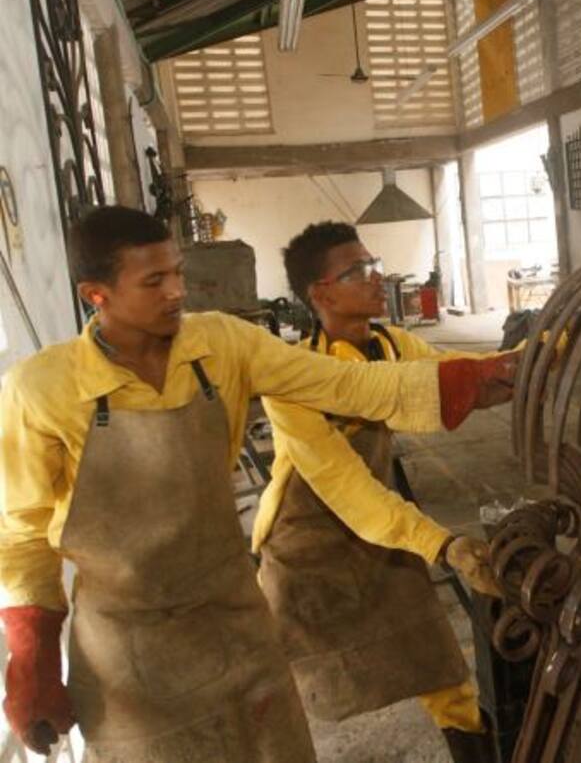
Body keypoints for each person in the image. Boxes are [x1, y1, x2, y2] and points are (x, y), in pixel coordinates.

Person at [0, 206, 514, 761]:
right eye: (154, 281)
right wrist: (34, 659)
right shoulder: (40, 390)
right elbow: (22, 534)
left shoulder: (220, 345)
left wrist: (497, 374)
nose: (177, 291)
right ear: (95, 294)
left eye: (177, 273)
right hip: (130, 653)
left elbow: (350, 386)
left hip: (236, 623)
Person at [253, 222, 518, 762]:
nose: (379, 279)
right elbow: (347, 489)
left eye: (374, 264)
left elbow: (462, 376)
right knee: (285, 684)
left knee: (440, 669)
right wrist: (443, 545)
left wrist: (551, 348)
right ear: (321, 293)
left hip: (379, 535)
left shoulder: (391, 345)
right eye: (359, 271)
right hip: (308, 547)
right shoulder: (293, 378)